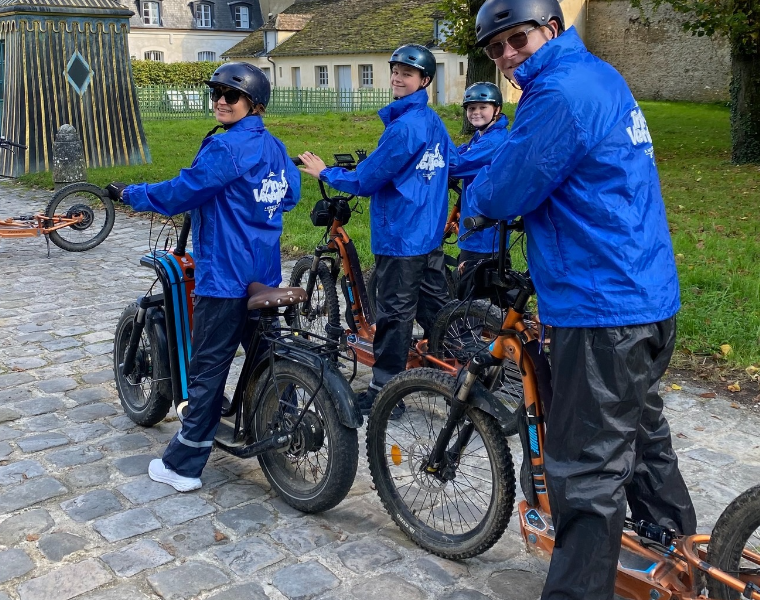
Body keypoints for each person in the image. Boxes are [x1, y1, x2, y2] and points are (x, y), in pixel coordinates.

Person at [469, 0, 698, 598]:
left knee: (588, 476)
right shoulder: (600, 73)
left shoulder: (558, 94)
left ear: (549, 28)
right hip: (646, 295)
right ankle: (684, 562)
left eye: (516, 40)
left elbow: (504, 190)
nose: (508, 57)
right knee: (644, 438)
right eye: (496, 50)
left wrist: (476, 199)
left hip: (599, 307)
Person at [106, 62, 301, 492]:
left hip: (225, 275)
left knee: (208, 364)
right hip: (264, 271)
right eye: (215, 93)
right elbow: (291, 194)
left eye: (231, 95)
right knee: (270, 353)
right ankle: (284, 424)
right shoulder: (274, 147)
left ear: (254, 103)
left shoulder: (224, 149)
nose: (220, 101)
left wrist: (131, 194)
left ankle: (184, 464)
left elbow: (181, 191)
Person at [298, 44, 452, 414]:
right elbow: (450, 162)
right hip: (428, 232)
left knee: (395, 315)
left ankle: (386, 394)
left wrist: (325, 172)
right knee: (436, 310)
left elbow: (366, 180)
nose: (398, 77)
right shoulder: (432, 121)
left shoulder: (404, 128)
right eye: (395, 71)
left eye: (407, 74)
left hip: (401, 234)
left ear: (424, 80)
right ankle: (459, 376)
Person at [449, 82, 509, 264]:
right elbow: (462, 151)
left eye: (483, 107)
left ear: (497, 109)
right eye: (471, 107)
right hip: (477, 220)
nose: (476, 112)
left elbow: (458, 164)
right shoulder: (482, 135)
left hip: (484, 231)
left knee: (473, 284)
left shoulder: (493, 142)